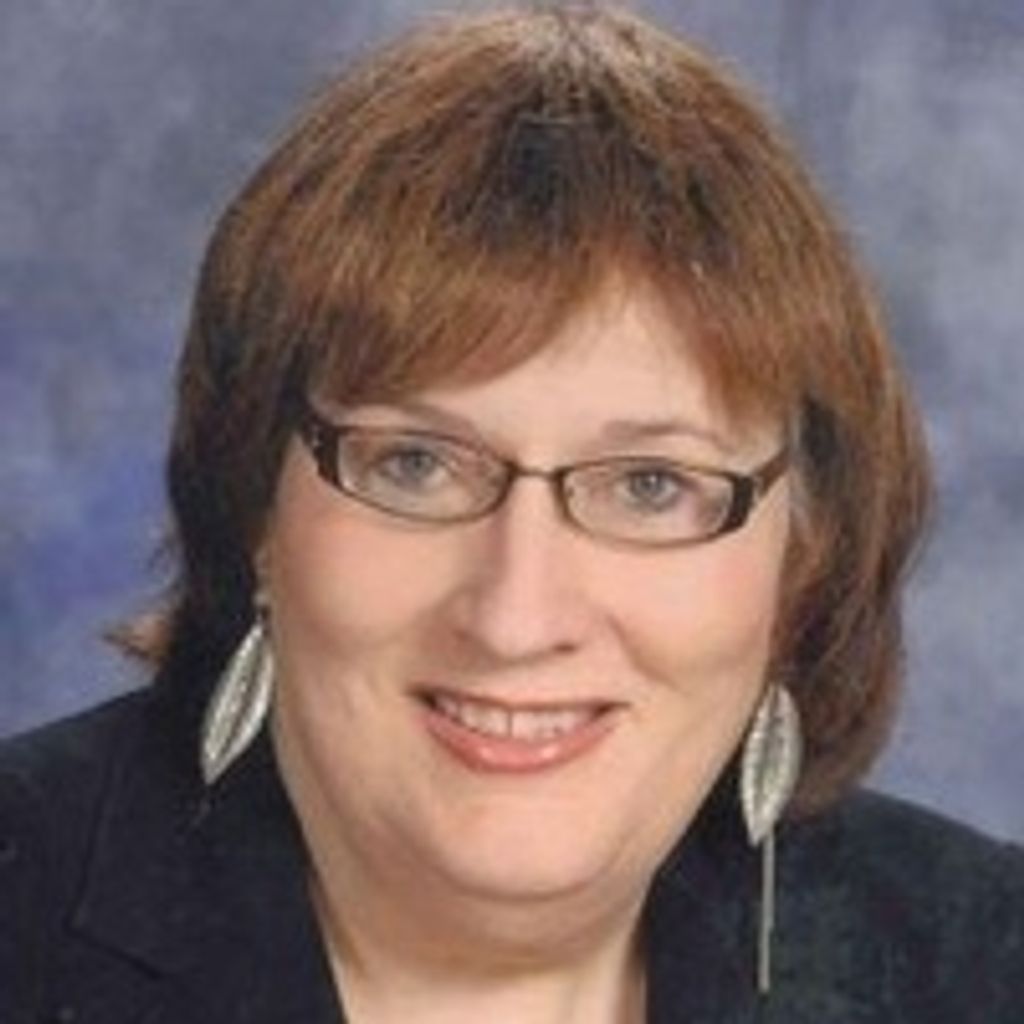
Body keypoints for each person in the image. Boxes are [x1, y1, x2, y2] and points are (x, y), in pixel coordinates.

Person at [1, 5, 1022, 1022]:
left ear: (803, 556)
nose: (515, 618)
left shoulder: (983, 964)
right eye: (414, 465)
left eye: (650, 484)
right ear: (255, 503)